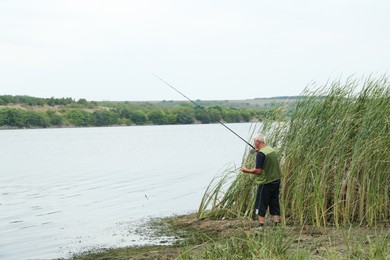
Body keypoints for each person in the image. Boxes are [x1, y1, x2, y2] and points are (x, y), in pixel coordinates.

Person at [241, 133, 282, 228]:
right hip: (276, 180)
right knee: (274, 201)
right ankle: (276, 224)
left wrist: (246, 170)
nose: (254, 143)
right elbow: (267, 159)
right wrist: (259, 152)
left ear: (257, 142)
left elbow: (258, 171)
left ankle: (261, 225)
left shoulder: (260, 154)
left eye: (254, 141)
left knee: (261, 202)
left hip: (266, 182)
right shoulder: (271, 150)